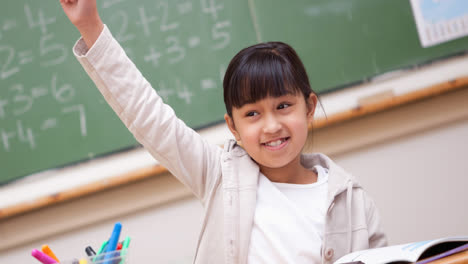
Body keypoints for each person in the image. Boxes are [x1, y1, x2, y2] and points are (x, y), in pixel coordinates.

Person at [59, 0, 387, 263]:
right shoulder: (219, 176)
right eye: (252, 113)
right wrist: (90, 27)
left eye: (284, 106)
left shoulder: (352, 199)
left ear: (310, 107)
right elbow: (149, 117)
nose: (272, 125)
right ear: (233, 127)